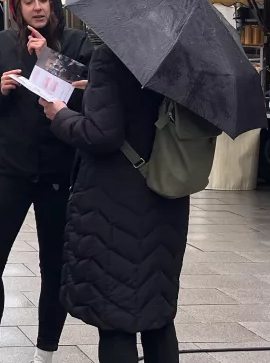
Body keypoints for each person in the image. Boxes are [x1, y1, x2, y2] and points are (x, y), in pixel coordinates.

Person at [0, 0, 93, 363]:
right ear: (17, 10)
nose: (36, 7)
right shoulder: (1, 44)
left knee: (53, 268)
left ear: (53, 4)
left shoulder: (76, 44)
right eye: (28, 2)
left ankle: (45, 353)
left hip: (57, 173)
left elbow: (88, 101)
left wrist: (45, 59)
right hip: (9, 171)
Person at [40, 35, 189, 363]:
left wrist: (59, 114)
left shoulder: (112, 54)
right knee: (157, 314)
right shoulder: (177, 55)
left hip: (116, 201)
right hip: (166, 193)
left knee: (115, 317)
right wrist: (94, 91)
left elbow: (102, 134)